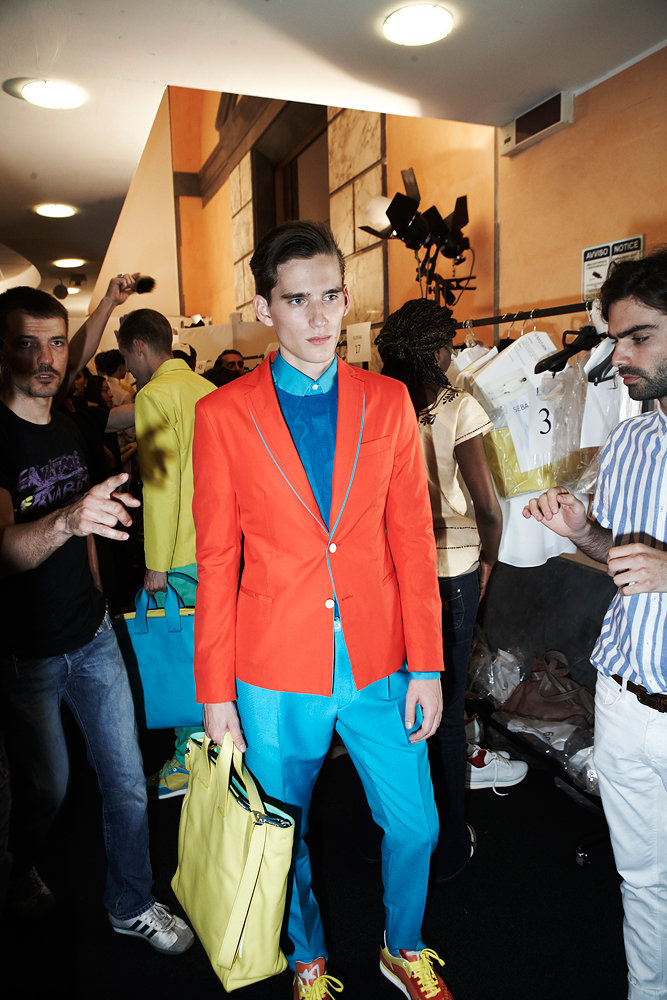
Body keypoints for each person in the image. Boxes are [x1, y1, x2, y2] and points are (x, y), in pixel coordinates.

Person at [193, 221, 454, 1000]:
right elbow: (216, 561)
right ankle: (306, 953)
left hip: (380, 662)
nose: (318, 316)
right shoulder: (223, 414)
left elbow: (413, 541)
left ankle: (401, 946)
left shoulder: (387, 399)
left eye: (330, 296)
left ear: (346, 298)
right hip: (272, 670)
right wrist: (214, 694)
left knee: (417, 824)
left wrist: (428, 664)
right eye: (296, 299)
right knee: (284, 830)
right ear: (263, 307)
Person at [0, 285, 193, 954]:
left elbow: (87, 520)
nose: (47, 357)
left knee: (127, 782)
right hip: (27, 654)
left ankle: (130, 903)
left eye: (57, 342)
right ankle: (17, 867)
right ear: (4, 351)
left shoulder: (68, 427)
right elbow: (6, 550)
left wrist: (97, 593)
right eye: (27, 343)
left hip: (92, 635)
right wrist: (68, 521)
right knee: (47, 790)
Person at [523, 246, 667, 1000]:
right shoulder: (631, 441)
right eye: (615, 339)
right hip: (621, 696)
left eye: (639, 336)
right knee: (640, 879)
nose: (620, 357)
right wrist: (582, 531)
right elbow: (619, 555)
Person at [375, 298, 525, 882]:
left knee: (396, 699)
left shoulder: (377, 403)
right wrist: (488, 563)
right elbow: (487, 506)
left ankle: (395, 832)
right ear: (432, 348)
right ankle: (449, 846)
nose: (453, 354)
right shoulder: (458, 407)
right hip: (451, 566)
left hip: (390, 569)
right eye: (449, 344)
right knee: (446, 700)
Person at [117, 308, 215, 798]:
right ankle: (218, 754)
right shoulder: (207, 388)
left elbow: (159, 485)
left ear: (139, 346)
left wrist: (155, 563)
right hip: (219, 549)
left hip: (178, 556)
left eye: (125, 357)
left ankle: (187, 763)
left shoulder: (153, 396)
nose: (126, 369)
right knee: (215, 658)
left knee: (181, 661)